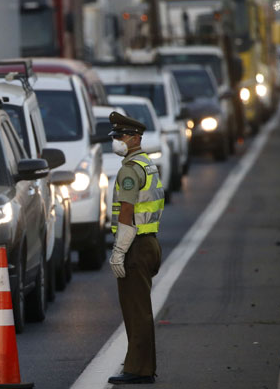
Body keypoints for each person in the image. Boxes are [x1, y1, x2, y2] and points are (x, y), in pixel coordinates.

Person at [107, 111, 164, 385]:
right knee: (139, 307)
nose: (116, 141)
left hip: (135, 246)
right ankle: (142, 366)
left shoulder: (129, 169)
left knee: (135, 309)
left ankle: (139, 370)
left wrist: (119, 250)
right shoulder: (147, 164)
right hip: (149, 242)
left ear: (134, 138)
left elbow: (126, 211)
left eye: (119, 136)